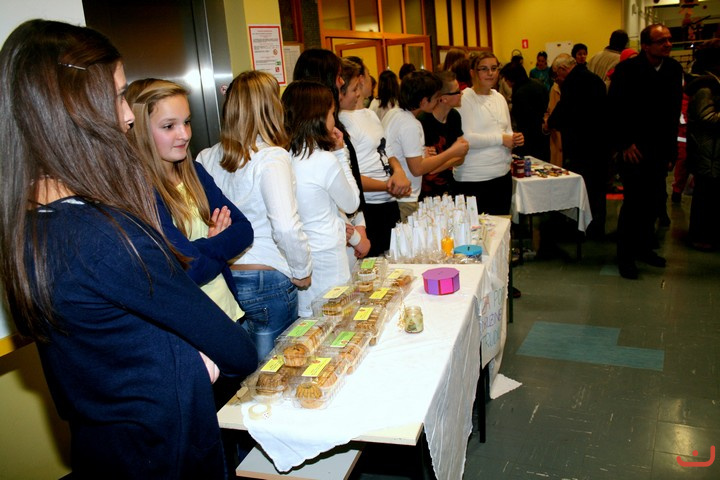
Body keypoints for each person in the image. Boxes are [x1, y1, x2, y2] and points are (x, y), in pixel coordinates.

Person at [0, 19, 257, 478]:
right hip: (164, 452)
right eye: (118, 96)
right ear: (75, 108)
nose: (128, 115)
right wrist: (191, 364)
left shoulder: (29, 226)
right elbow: (236, 350)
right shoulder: (106, 235)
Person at [196, 71, 312, 359]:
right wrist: (302, 270)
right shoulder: (272, 157)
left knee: (242, 370)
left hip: (224, 277)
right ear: (270, 107)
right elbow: (285, 226)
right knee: (274, 372)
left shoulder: (205, 157)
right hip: (267, 277)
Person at [126, 78, 252, 324]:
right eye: (169, 126)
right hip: (193, 325)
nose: (184, 135)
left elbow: (244, 230)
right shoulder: (141, 191)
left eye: (186, 122)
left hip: (229, 314)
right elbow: (186, 270)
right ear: (140, 129)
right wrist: (216, 243)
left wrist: (199, 250)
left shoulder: (195, 173)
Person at [608, 24, 683, 279]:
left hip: (660, 150)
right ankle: (626, 257)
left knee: (653, 203)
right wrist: (624, 144)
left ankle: (644, 248)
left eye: (669, 40)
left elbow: (673, 112)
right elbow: (615, 110)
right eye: (661, 41)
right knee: (634, 205)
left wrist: (671, 152)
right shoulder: (627, 70)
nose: (668, 44)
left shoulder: (673, 69)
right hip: (634, 150)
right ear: (646, 46)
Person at [282, 80, 360, 316]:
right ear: (318, 117)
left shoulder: (282, 158)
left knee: (310, 324)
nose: (333, 120)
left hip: (299, 260)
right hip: (328, 257)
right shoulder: (324, 160)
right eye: (331, 113)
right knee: (337, 321)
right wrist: (340, 153)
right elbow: (352, 203)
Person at [293, 49, 369, 262]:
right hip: (335, 246)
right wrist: (356, 236)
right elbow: (340, 202)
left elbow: (351, 184)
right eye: (337, 76)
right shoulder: (317, 145)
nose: (341, 81)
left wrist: (360, 227)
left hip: (348, 234)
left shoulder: (332, 128)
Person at [339, 59, 411, 256]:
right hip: (370, 206)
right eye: (354, 87)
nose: (369, 81)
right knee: (373, 265)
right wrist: (388, 185)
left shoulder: (370, 114)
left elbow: (386, 150)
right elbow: (350, 176)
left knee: (394, 258)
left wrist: (398, 172)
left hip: (389, 202)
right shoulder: (343, 121)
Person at [382, 70, 469, 220]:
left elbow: (398, 151)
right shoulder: (411, 124)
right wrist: (452, 151)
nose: (437, 101)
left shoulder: (394, 113)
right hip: (405, 197)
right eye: (435, 98)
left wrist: (423, 156)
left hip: (396, 194)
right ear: (423, 101)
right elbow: (417, 169)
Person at [548, 54, 610, 239]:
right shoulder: (595, 79)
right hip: (600, 143)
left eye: (556, 75)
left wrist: (550, 123)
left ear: (562, 69)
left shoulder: (572, 83)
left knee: (583, 188)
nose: (557, 80)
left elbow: (564, 110)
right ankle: (597, 226)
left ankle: (583, 226)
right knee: (598, 189)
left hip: (581, 145)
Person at [456, 52, 524, 215]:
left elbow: (506, 130)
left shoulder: (499, 97)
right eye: (484, 69)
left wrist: (514, 138)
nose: (490, 73)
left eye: (494, 68)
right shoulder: (465, 98)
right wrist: (501, 139)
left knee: (502, 225)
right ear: (473, 73)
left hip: (502, 174)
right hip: (475, 178)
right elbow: (467, 138)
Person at [685, 39, 720, 250]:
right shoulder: (706, 87)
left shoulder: (710, 84)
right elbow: (707, 117)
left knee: (709, 198)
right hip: (708, 153)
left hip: (711, 152)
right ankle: (701, 237)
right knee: (706, 198)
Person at [417, 70, 467, 199]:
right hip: (427, 192)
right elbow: (427, 169)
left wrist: (439, 162)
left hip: (449, 186)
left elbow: (461, 157)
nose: (461, 93)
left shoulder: (454, 116)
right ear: (444, 98)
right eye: (457, 91)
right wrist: (452, 155)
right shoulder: (423, 121)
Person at [501, 61, 550, 161]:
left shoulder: (520, 93)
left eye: (506, 78)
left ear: (512, 78)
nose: (505, 81)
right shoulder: (539, 84)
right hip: (543, 135)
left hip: (528, 139)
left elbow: (521, 120)